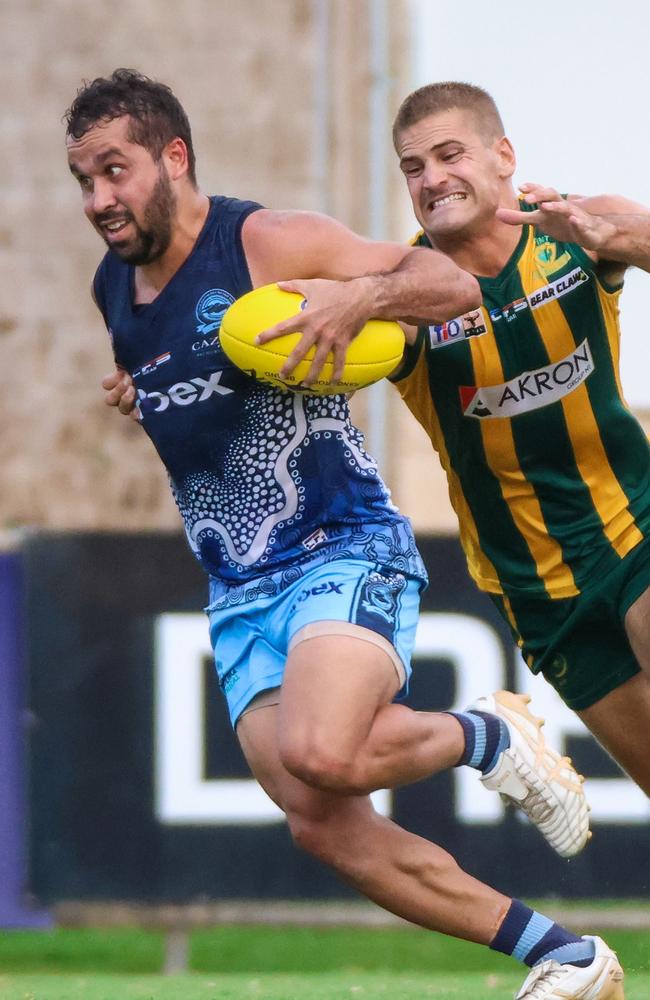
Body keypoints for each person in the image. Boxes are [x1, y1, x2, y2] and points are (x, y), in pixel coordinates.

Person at [67, 70, 610, 1000]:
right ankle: (563, 957)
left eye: (114, 172)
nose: (98, 199)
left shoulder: (266, 239)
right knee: (320, 819)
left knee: (323, 750)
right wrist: (140, 391)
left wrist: (354, 302)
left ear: (173, 157)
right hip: (238, 589)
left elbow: (444, 282)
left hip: (340, 547)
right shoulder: (113, 291)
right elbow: (182, 385)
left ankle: (488, 734)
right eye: (83, 179)